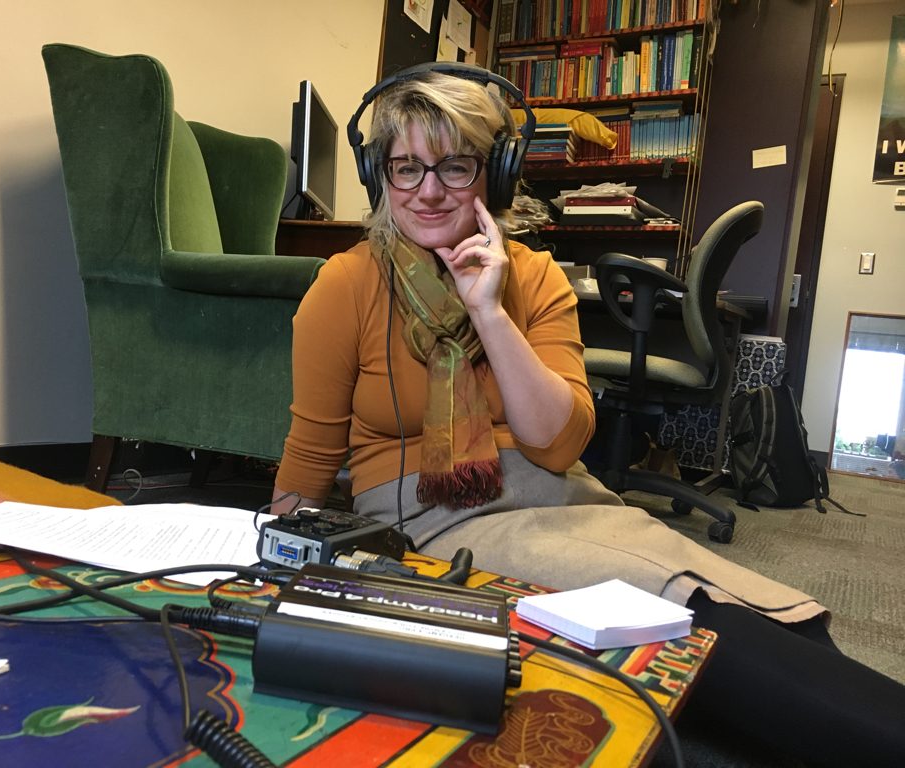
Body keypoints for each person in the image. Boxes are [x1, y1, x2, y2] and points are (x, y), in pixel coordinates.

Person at [271, 65, 905, 766]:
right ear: (379, 177)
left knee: (761, 612)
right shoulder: (347, 284)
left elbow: (557, 441)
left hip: (562, 497)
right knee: (690, 623)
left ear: (497, 174)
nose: (427, 191)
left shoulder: (534, 277)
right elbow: (309, 456)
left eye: (455, 166)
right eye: (405, 169)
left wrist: (488, 311)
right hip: (430, 518)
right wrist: (272, 574)